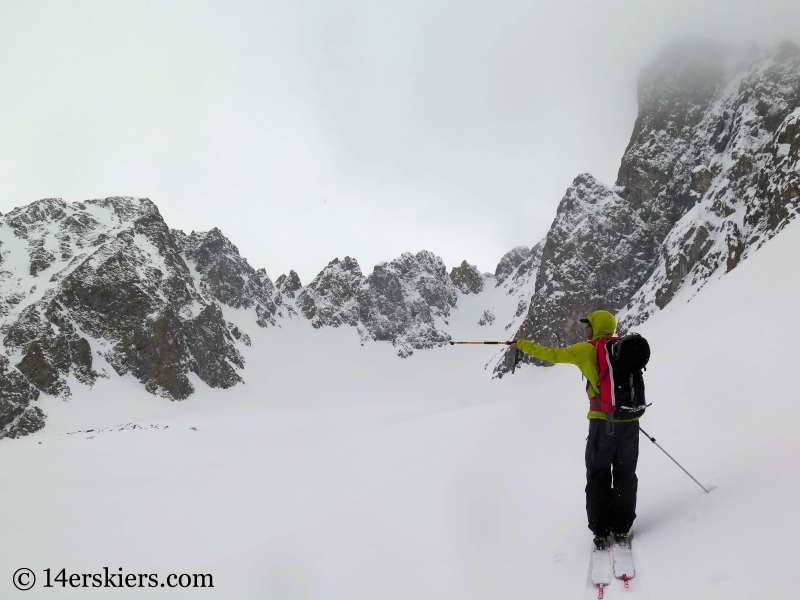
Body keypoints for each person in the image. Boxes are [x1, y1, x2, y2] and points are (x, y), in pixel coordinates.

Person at [510, 309, 640, 550]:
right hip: (630, 422)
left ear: (596, 326)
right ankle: (622, 526)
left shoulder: (587, 350)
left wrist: (522, 344)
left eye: (587, 324)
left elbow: (552, 354)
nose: (586, 328)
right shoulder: (623, 347)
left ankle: (601, 530)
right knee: (625, 473)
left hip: (603, 423)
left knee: (598, 473)